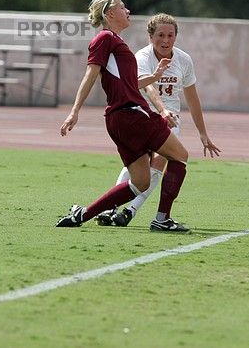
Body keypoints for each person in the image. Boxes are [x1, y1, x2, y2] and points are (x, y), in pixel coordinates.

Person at [56, 0, 191, 232]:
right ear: (110, 14)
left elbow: (129, 83)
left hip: (120, 119)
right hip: (132, 115)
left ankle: (82, 215)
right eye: (122, 7)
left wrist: (155, 76)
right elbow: (91, 74)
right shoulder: (105, 38)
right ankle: (162, 219)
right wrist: (74, 111)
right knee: (179, 155)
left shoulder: (115, 42)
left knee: (139, 183)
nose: (127, 10)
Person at [95, 13, 221, 227]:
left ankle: (130, 211)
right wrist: (161, 110)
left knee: (160, 162)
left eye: (170, 35)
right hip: (142, 114)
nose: (166, 40)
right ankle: (112, 209)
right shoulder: (141, 57)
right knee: (137, 164)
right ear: (150, 36)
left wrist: (202, 133)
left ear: (176, 36)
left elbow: (192, 97)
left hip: (171, 120)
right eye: (160, 35)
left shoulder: (183, 60)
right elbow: (149, 87)